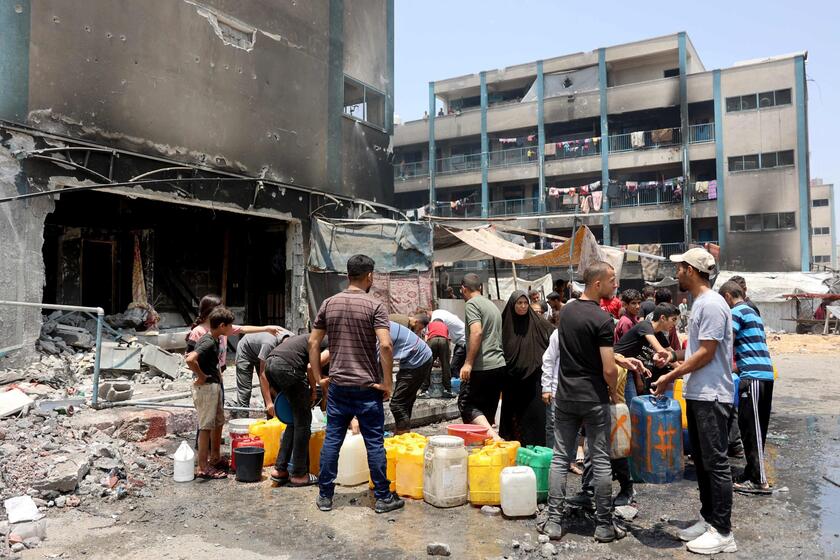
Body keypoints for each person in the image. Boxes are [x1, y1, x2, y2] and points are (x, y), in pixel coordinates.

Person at [652, 248, 737, 555]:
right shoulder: (700, 303)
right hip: (699, 393)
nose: (677, 274)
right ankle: (708, 519)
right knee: (702, 461)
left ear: (691, 270)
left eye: (680, 268)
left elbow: (707, 353)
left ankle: (724, 531)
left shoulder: (712, 304)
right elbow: (695, 351)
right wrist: (672, 356)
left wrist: (671, 376)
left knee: (715, 462)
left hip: (712, 394)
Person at [308, 254, 404, 514]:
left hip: (338, 386)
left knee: (332, 441)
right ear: (370, 276)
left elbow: (313, 342)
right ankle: (383, 498)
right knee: (374, 442)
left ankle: (325, 496)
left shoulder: (329, 303)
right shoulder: (375, 306)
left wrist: (319, 378)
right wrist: (387, 383)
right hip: (367, 387)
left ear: (347, 275)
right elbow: (385, 345)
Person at [540, 262, 625, 543]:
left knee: (560, 458)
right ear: (597, 283)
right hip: (593, 399)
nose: (616, 284)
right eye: (612, 280)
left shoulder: (566, 312)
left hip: (565, 396)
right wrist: (613, 389)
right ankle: (603, 525)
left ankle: (554, 522)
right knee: (600, 460)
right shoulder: (603, 320)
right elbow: (608, 368)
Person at [719, 281, 774, 495]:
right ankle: (751, 472)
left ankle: (759, 480)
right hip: (760, 375)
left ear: (727, 296)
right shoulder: (752, 311)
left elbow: (726, 342)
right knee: (751, 427)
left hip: (753, 376)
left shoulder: (738, 312)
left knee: (752, 429)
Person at [260, 334, 329, 487]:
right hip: (287, 368)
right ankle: (299, 474)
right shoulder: (334, 342)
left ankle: (280, 469)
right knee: (304, 423)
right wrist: (313, 389)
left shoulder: (315, 337)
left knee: (294, 420)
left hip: (271, 365)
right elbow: (311, 367)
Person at [185, 306, 236, 480]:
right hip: (206, 388)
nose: (231, 330)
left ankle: (215, 458)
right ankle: (203, 466)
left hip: (214, 386)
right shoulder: (207, 341)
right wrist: (201, 376)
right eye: (229, 326)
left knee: (217, 421)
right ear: (222, 325)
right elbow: (190, 359)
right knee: (206, 426)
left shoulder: (214, 339)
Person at [499, 291, 554, 446]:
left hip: (533, 379)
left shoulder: (537, 322)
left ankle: (537, 448)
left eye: (525, 303)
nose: (523, 306)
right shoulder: (504, 324)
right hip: (512, 380)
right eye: (519, 303)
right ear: (512, 305)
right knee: (514, 418)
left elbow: (555, 337)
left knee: (534, 417)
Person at [457, 273, 506, 440]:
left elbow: (476, 332)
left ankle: (495, 438)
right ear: (481, 288)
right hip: (498, 365)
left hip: (482, 366)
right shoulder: (491, 305)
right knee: (486, 413)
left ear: (463, 289)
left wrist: (468, 363)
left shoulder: (472, 304)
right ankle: (488, 451)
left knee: (466, 404)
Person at [615, 303, 680, 398]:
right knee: (628, 406)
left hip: (629, 368)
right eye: (673, 320)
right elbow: (662, 352)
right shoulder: (645, 326)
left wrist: (684, 370)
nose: (674, 324)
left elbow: (672, 355)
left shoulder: (659, 335)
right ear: (662, 318)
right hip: (618, 365)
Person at [387, 321, 434, 434]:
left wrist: (386, 385)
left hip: (417, 359)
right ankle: (403, 433)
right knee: (405, 401)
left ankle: (402, 437)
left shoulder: (377, 333)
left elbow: (384, 360)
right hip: (417, 357)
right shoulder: (382, 324)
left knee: (397, 404)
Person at [234, 330, 292, 414]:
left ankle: (272, 418)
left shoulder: (293, 340)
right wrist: (269, 403)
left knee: (272, 385)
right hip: (245, 351)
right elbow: (263, 374)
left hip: (261, 350)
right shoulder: (269, 344)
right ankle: (242, 420)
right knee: (245, 391)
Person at [418, 318, 455, 399]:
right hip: (443, 340)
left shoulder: (430, 324)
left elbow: (426, 337)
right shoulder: (445, 325)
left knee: (427, 365)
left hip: (432, 340)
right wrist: (445, 358)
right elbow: (448, 340)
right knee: (446, 366)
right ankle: (448, 390)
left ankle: (424, 391)